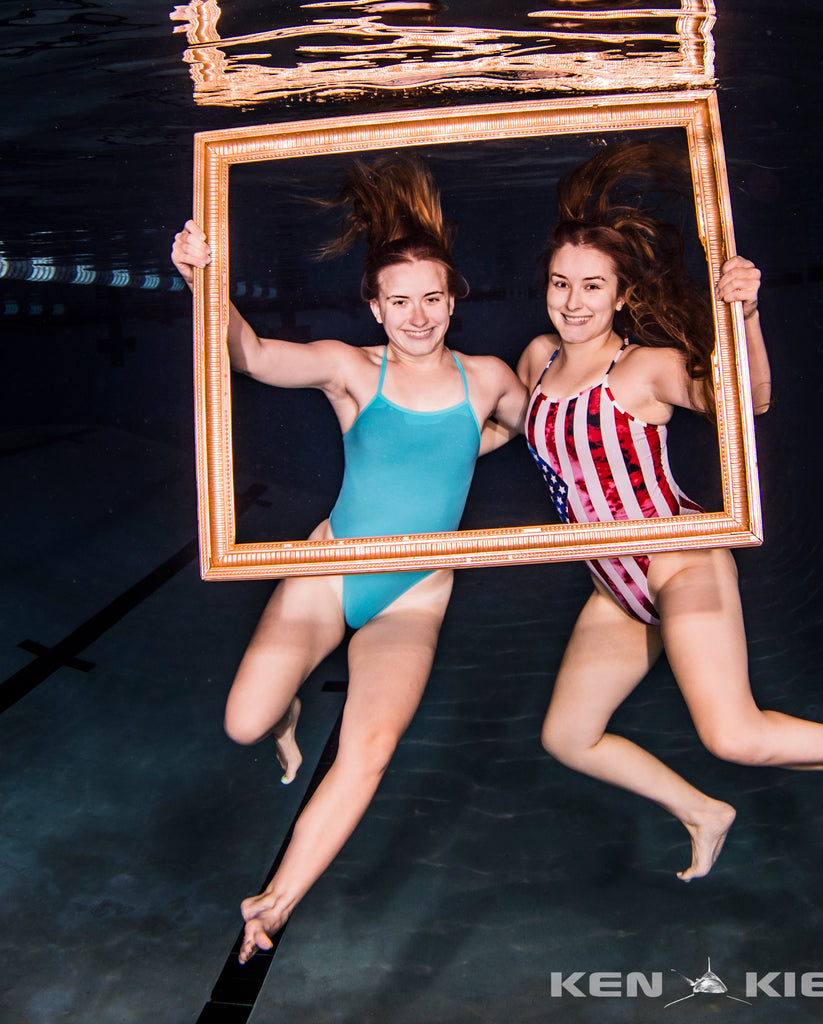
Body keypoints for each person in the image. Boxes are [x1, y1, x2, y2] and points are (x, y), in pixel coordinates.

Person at [494, 142, 823, 881]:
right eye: (561, 284)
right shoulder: (536, 361)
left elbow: (751, 402)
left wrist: (747, 314)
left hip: (677, 564)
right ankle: (702, 811)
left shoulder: (642, 368)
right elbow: (499, 435)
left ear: (621, 294)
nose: (573, 301)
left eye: (593, 286)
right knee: (567, 736)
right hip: (612, 585)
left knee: (735, 735)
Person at [171, 156, 527, 964]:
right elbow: (253, 356)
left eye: (431, 298)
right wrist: (205, 282)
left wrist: (493, 435)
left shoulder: (489, 379)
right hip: (331, 572)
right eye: (398, 301)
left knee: (369, 746)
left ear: (452, 300)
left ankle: (280, 898)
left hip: (415, 596)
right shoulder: (350, 368)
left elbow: (537, 432)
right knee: (244, 722)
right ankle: (291, 707)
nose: (416, 316)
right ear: (374, 305)